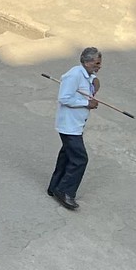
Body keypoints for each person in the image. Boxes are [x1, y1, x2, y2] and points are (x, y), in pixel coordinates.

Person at [48, 46, 101, 211]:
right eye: (97, 63)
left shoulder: (86, 75)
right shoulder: (74, 75)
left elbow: (91, 84)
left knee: (67, 156)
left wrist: (94, 81)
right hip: (69, 126)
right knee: (80, 159)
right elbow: (64, 98)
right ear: (86, 62)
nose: (99, 66)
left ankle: (54, 187)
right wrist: (87, 103)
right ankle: (65, 191)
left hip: (76, 125)